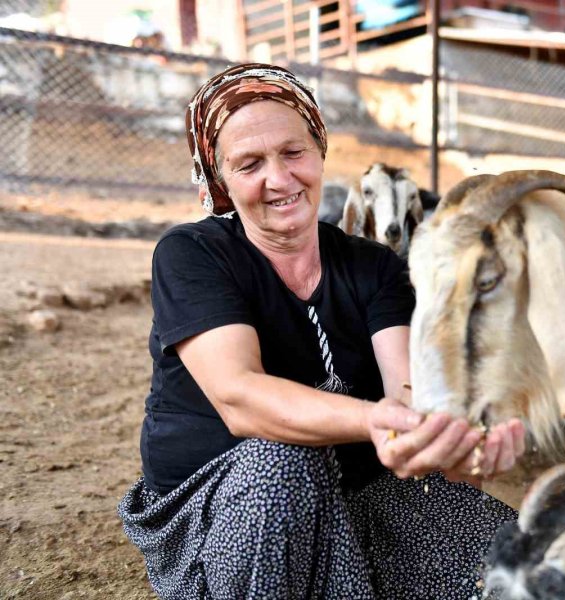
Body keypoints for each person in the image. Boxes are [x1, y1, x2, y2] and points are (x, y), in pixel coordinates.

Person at [117, 63, 527, 600]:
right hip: (220, 510)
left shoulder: (374, 266)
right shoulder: (192, 254)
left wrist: (452, 439)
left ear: (319, 151)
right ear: (219, 180)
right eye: (249, 164)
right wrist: (373, 420)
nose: (280, 179)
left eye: (294, 153)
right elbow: (241, 399)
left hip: (357, 499)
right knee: (280, 463)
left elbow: (407, 395)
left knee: (516, 557)